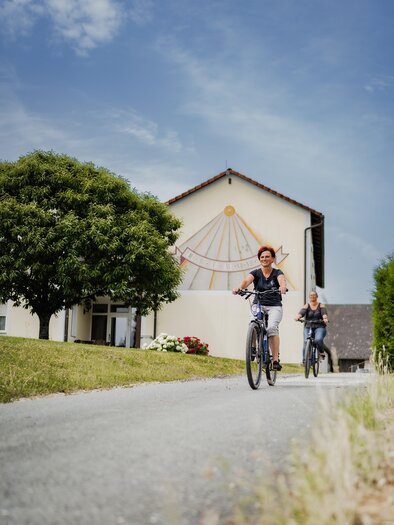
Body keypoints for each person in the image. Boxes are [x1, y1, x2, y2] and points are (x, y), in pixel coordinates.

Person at [232, 246, 287, 371]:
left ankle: (275, 360)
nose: (264, 259)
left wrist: (282, 287)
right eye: (262, 257)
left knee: (272, 328)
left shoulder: (277, 273)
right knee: (253, 322)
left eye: (267, 256)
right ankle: (252, 348)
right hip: (258, 304)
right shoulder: (256, 273)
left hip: (274, 305)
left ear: (273, 259)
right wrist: (239, 287)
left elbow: (282, 280)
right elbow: (247, 280)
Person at [295, 291, 328, 361]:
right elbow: (302, 312)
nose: (312, 296)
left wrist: (325, 318)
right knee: (306, 341)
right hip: (308, 327)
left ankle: (321, 352)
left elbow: (324, 313)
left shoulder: (321, 305)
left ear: (317, 296)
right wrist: (298, 316)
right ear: (309, 297)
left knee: (318, 340)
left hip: (320, 327)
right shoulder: (307, 305)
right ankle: (305, 360)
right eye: (311, 295)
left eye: (314, 295)